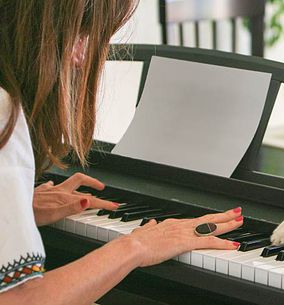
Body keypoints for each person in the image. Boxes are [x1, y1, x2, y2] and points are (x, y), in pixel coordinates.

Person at [0, 1, 243, 304]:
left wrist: (17, 207)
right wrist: (137, 246)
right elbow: (20, 300)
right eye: (81, 34)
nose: (80, 57)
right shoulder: (3, 113)